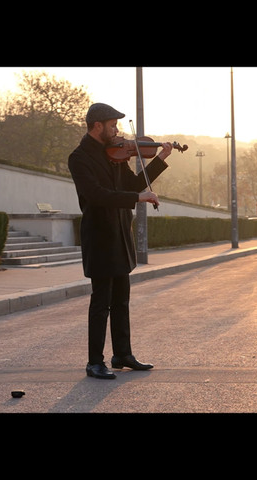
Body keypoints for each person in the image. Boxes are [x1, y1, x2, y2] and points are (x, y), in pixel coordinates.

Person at [67, 103, 173, 380]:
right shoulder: (79, 158)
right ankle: (94, 362)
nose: (117, 131)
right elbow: (97, 195)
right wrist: (138, 199)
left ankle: (122, 354)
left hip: (120, 235)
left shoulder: (115, 156)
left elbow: (136, 185)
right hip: (100, 237)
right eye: (113, 126)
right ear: (97, 126)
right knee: (100, 303)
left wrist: (159, 159)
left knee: (121, 301)